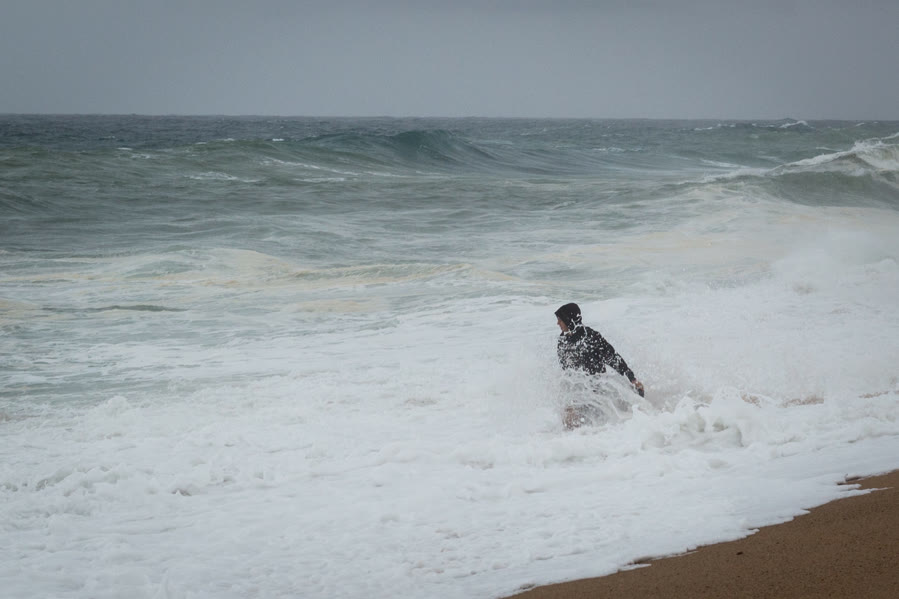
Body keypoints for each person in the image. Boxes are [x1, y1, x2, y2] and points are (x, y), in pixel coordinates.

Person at [555, 302, 644, 428]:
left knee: (594, 421)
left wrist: (632, 378)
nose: (558, 323)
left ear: (569, 319)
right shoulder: (563, 341)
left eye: (560, 319)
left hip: (597, 388)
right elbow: (566, 371)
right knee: (568, 420)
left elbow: (612, 357)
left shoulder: (590, 336)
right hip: (578, 389)